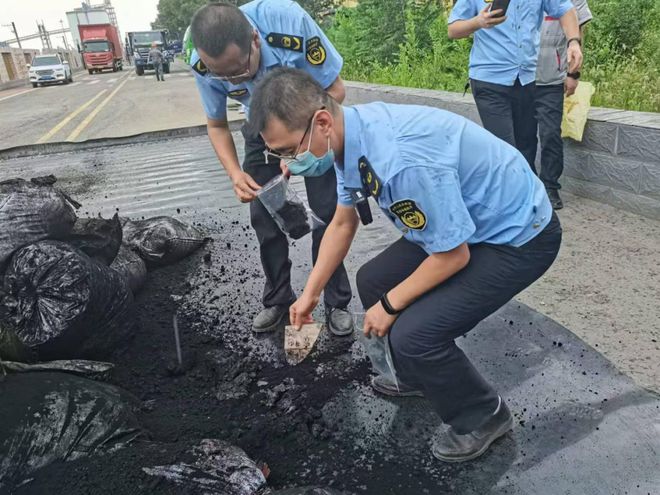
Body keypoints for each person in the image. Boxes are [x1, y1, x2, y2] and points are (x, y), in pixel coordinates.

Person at [250, 67, 562, 462]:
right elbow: (343, 221)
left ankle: (484, 415)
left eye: (288, 151)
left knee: (412, 335)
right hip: (468, 222)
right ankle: (417, 377)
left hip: (518, 235)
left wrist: (391, 306)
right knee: (372, 280)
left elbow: (453, 255)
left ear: (322, 122)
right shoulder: (349, 139)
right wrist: (310, 294)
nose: (285, 165)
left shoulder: (399, 161)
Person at [189, 1, 354, 335]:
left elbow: (336, 91)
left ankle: (336, 302)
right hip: (259, 125)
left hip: (310, 123)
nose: (232, 79)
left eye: (238, 70)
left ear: (255, 40)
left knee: (327, 212)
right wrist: (236, 174)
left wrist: (303, 145)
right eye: (223, 75)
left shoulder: (288, 25)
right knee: (264, 217)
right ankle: (278, 299)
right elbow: (217, 125)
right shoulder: (204, 63)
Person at [448, 0, 583, 171]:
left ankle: (528, 195)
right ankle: (511, 195)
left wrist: (573, 42)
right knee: (506, 151)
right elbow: (453, 30)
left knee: (526, 146)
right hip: (489, 80)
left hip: (526, 79)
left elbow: (565, 9)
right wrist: (478, 22)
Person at [535, 0, 593, 210]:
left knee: (550, 135)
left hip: (552, 79)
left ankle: (550, 186)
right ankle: (529, 187)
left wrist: (573, 73)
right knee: (523, 137)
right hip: (521, 79)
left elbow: (578, 34)